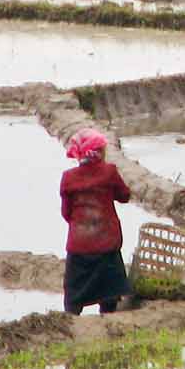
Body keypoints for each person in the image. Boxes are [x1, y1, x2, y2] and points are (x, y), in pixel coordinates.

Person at [59, 128, 132, 315]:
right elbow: (124, 196)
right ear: (99, 153)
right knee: (109, 292)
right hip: (106, 242)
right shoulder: (109, 172)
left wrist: (80, 225)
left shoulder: (68, 178)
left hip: (79, 245)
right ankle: (107, 316)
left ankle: (72, 320)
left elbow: (66, 213)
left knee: (74, 294)